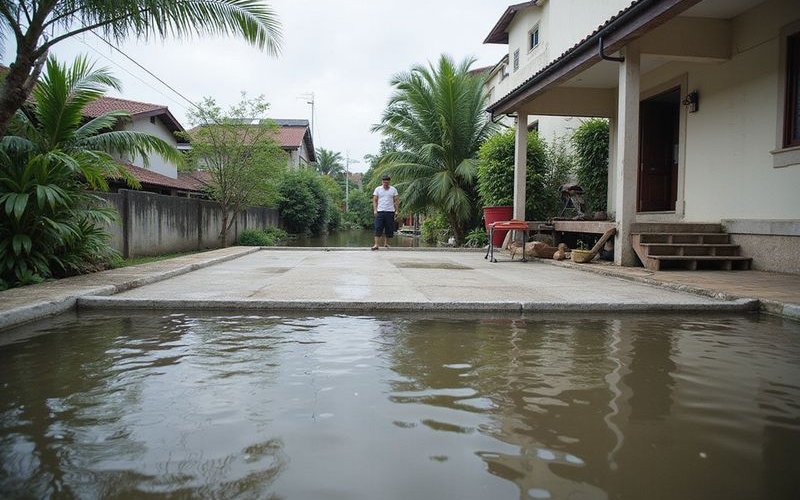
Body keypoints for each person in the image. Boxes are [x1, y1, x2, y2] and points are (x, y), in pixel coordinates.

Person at [372, 174, 399, 250]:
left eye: (387, 182)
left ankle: (386, 244)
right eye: (384, 182)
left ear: (389, 182)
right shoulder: (378, 189)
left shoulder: (393, 189)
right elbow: (374, 200)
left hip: (390, 211)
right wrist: (375, 210)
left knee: (389, 228)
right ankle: (376, 245)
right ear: (382, 182)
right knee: (378, 227)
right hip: (380, 211)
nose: (385, 184)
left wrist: (397, 210)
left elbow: (396, 201)